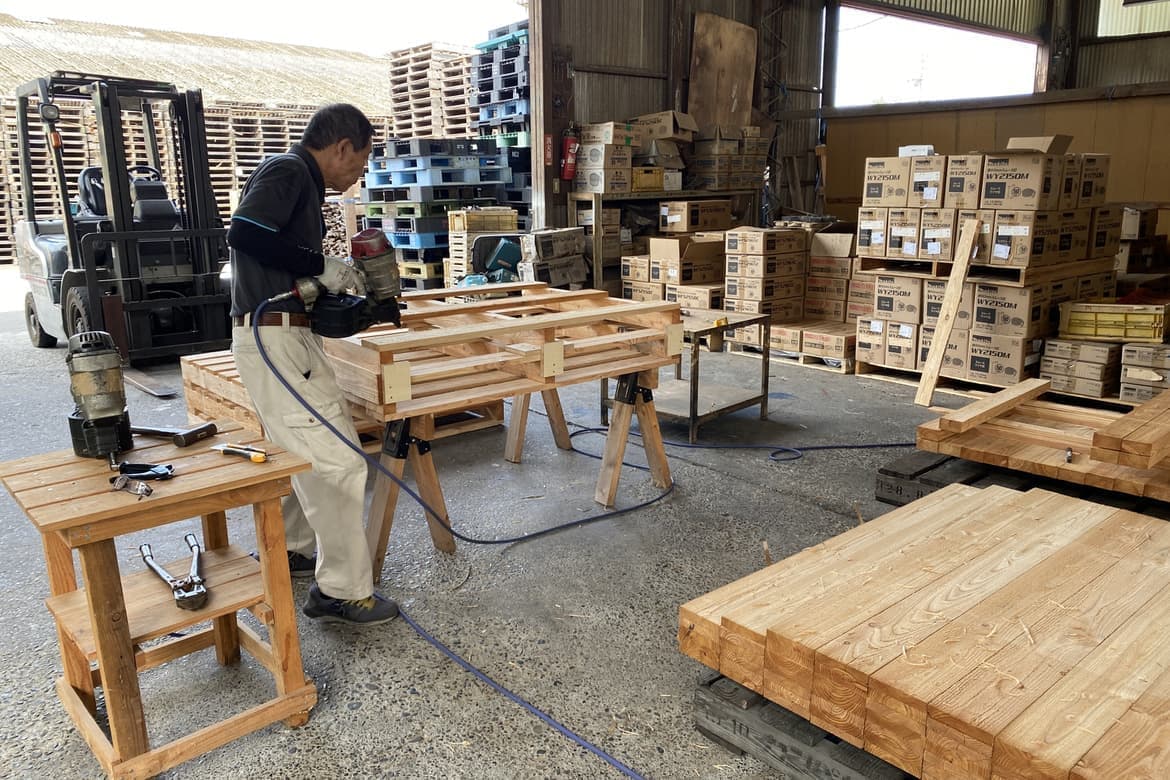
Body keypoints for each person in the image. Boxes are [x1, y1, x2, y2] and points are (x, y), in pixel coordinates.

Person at [226, 103, 397, 625]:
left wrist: (333, 289)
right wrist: (321, 264)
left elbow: (275, 259)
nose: (357, 176)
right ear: (341, 147)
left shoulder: (299, 181)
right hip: (273, 338)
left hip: (286, 336)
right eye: (359, 163)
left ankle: (295, 549)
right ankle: (340, 592)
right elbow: (244, 233)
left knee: (303, 450)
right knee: (339, 463)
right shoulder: (289, 170)